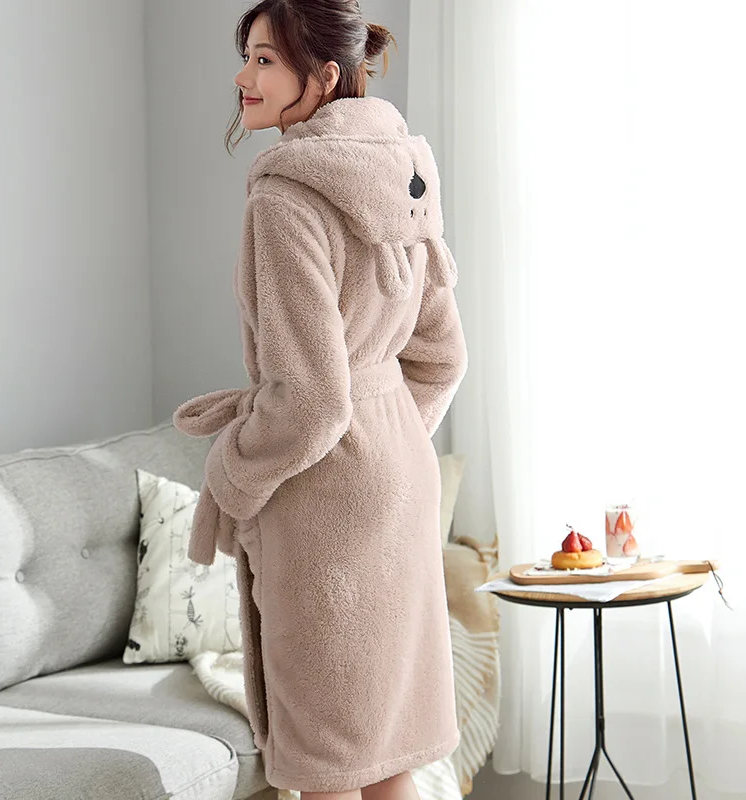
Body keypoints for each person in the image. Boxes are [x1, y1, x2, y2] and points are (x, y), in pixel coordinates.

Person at [173, 2, 468, 799]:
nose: (243, 77)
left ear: (325, 75)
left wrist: (230, 475)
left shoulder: (285, 197)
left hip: (324, 504)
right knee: (387, 751)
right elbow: (442, 356)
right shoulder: (404, 175)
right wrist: (387, 439)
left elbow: (308, 402)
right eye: (248, 56)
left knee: (331, 761)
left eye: (265, 60)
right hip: (399, 478)